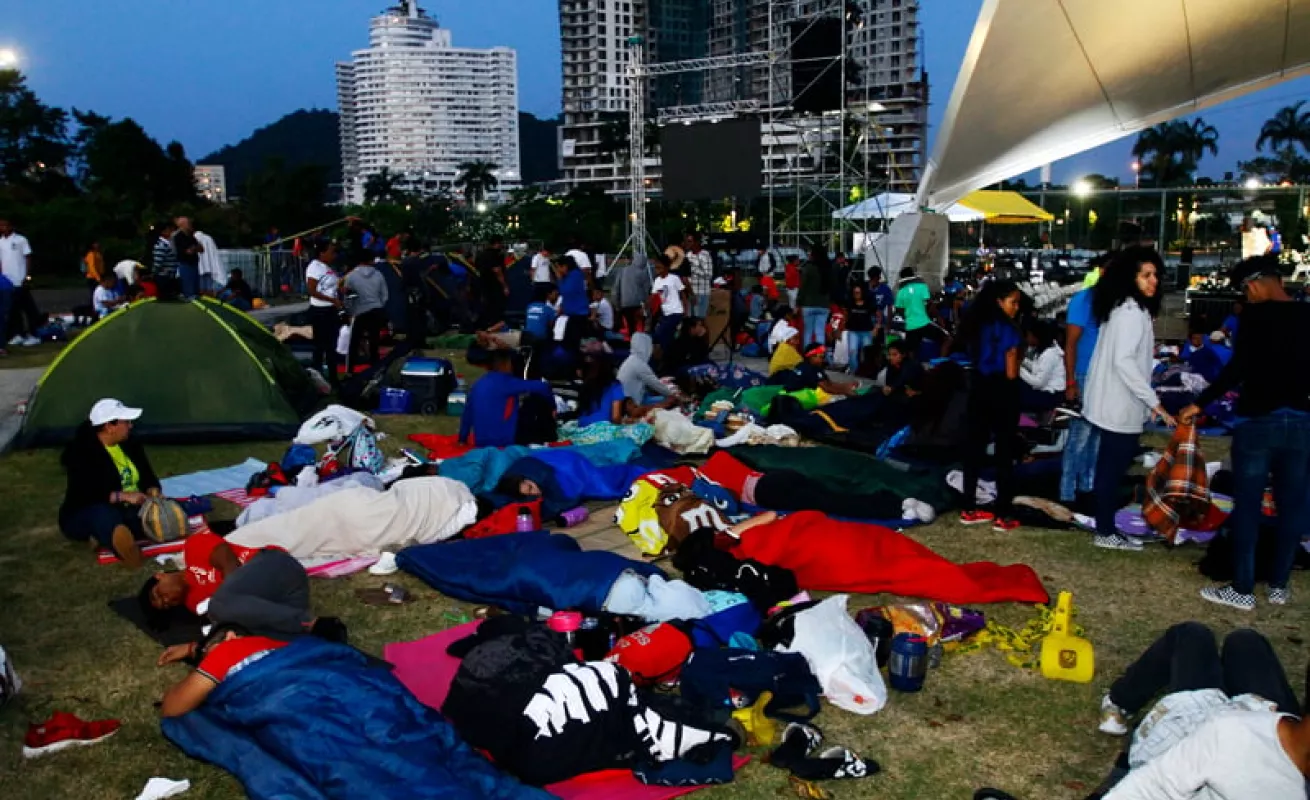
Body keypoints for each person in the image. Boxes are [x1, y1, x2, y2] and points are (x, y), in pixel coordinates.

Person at [1181, 256, 1310, 611]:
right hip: (1300, 421)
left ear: (1254, 284)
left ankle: (1242, 588)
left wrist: (1200, 403)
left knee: (1249, 506)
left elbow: (1236, 370)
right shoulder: (1307, 314)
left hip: (1257, 422)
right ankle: (1279, 586)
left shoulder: (1253, 318)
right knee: (1291, 507)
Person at [1096, 622, 1308, 799]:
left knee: (1192, 635)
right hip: (1272, 723)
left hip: (1205, 735)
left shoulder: (1230, 736)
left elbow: (1150, 784)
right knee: (1245, 641)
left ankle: (1119, 703)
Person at [1083, 246, 1175, 552]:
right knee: (1111, 469)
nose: (1153, 281)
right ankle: (1105, 530)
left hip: (1117, 402)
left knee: (1110, 467)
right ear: (1130, 277)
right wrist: (1154, 402)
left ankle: (1106, 528)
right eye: (1146, 275)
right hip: (1118, 404)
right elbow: (1124, 362)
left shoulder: (1125, 309)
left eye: (1156, 275)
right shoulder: (1130, 313)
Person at [58, 399, 160, 568]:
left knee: (153, 513)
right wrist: (122, 496)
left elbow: (147, 475)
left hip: (128, 506)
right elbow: (85, 493)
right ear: (109, 426)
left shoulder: (131, 444)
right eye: (126, 422)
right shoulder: (81, 453)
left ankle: (106, 536)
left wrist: (153, 490)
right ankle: (124, 547)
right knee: (105, 516)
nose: (131, 426)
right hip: (87, 509)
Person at [957, 279, 1024, 532]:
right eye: (1013, 302)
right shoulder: (1009, 329)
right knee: (1004, 452)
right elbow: (1010, 368)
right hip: (1001, 389)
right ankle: (1003, 514)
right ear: (999, 301)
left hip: (978, 386)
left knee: (974, 448)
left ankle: (969, 507)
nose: (1016, 307)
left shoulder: (977, 325)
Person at [157, 625, 289, 718]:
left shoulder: (228, 649)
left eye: (205, 661)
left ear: (230, 636)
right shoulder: (284, 646)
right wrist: (194, 648)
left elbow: (170, 708)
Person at [1062, 255, 1106, 506]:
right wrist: (1071, 381)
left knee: (1095, 435)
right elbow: (1070, 343)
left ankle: (1086, 486)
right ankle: (1067, 491)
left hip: (1102, 375)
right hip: (1085, 374)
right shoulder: (1084, 300)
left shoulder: (1111, 303)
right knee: (1080, 435)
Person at [460, 349, 556, 448]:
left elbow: (467, 414)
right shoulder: (507, 382)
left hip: (481, 441)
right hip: (503, 441)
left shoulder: (477, 384)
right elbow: (543, 387)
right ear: (505, 364)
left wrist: (462, 439)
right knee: (534, 400)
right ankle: (549, 437)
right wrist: (553, 407)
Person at [306, 240, 343, 386]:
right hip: (320, 310)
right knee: (321, 345)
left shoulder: (328, 267)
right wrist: (332, 300)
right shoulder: (315, 267)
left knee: (331, 345)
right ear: (322, 253)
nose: (334, 255)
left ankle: (333, 376)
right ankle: (318, 374)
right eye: (331, 251)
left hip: (330, 309)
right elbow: (312, 290)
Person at [344, 250, 391, 366]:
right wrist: (378, 305)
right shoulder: (379, 274)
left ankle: (350, 368)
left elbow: (347, 297)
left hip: (358, 312)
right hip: (376, 310)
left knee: (354, 341)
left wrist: (349, 311)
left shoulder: (351, 276)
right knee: (374, 339)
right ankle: (374, 366)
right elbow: (385, 295)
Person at [1, 218, 39, 347]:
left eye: (5, 225)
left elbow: (28, 257)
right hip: (7, 281)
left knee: (28, 308)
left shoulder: (21, 240)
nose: (3, 227)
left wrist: (27, 275)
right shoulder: (0, 241)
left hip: (20, 279)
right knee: (12, 310)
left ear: (11, 226)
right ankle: (18, 334)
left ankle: (33, 334)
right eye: (1, 225)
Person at [771, 342, 857, 397]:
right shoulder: (808, 369)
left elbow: (829, 384)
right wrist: (845, 391)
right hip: (791, 398)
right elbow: (827, 388)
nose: (823, 359)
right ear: (811, 357)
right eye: (821, 357)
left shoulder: (813, 366)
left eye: (823, 356)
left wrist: (846, 385)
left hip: (792, 395)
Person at [619, 332, 680, 405]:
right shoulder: (638, 364)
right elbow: (656, 385)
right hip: (635, 403)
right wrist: (673, 394)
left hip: (632, 399)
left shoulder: (632, 360)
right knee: (669, 400)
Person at [1019, 320, 1066, 412]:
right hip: (1045, 391)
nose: (1027, 338)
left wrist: (1019, 370)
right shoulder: (1043, 350)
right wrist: (1022, 361)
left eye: (1029, 335)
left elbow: (1039, 382)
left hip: (1051, 396)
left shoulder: (1050, 354)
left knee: (1017, 394)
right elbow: (1037, 368)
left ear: (1037, 337)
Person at [649, 253, 688, 356]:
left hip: (676, 312)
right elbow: (653, 297)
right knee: (663, 336)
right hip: (665, 313)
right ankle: (668, 355)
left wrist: (685, 309)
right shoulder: (657, 281)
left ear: (666, 267)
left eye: (659, 267)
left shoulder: (674, 278)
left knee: (662, 332)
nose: (657, 270)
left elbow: (682, 293)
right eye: (656, 267)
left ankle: (667, 356)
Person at [554, 254, 592, 352]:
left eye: (559, 267)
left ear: (565, 266)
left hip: (578, 314)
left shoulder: (575, 275)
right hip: (572, 313)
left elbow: (565, 291)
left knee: (573, 342)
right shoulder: (570, 276)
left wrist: (559, 279)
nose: (558, 270)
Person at [796, 244, 831, 348]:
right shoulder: (829, 268)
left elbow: (803, 287)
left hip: (808, 304)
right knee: (820, 332)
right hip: (824, 304)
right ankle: (820, 355)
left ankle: (808, 355)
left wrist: (798, 303)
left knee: (808, 332)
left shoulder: (808, 268)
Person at [895, 266, 935, 355]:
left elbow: (899, 309)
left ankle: (911, 366)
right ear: (913, 275)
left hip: (910, 325)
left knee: (911, 350)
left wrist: (907, 317)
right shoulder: (922, 286)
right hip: (924, 322)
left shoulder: (901, 292)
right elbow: (930, 303)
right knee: (947, 339)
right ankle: (939, 363)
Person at [613, 253, 651, 335]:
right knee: (640, 327)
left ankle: (631, 342)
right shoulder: (643, 273)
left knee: (630, 326)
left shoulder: (622, 271)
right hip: (639, 305)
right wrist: (646, 306)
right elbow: (646, 290)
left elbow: (616, 289)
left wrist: (617, 306)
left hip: (625, 304)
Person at [843, 283, 876, 375]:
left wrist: (876, 327)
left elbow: (876, 314)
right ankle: (854, 371)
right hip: (853, 331)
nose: (856, 295)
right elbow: (845, 313)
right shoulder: (850, 302)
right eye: (854, 293)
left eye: (858, 293)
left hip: (866, 331)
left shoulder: (869, 303)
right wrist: (844, 325)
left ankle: (867, 372)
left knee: (867, 354)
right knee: (852, 352)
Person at [172, 217, 204, 298]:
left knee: (195, 285)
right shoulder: (178, 236)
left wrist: (194, 248)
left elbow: (201, 248)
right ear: (182, 225)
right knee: (188, 286)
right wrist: (194, 248)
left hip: (194, 263)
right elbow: (188, 251)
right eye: (188, 223)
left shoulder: (191, 236)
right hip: (185, 264)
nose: (190, 224)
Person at [684, 233, 714, 320]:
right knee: (690, 320)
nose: (688, 243)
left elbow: (709, 275)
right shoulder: (688, 255)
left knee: (699, 320)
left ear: (696, 242)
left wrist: (693, 268)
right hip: (690, 292)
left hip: (702, 293)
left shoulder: (705, 255)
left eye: (690, 241)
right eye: (687, 241)